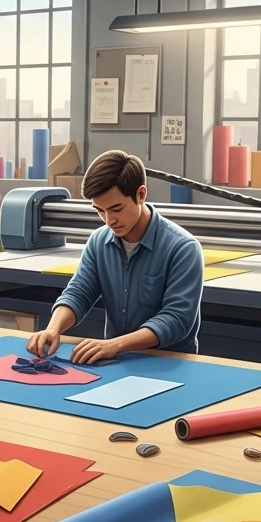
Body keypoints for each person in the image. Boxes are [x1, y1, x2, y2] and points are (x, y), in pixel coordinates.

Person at [26, 150, 203, 364]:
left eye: (116, 209)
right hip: (115, 362)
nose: (109, 220)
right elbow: (79, 292)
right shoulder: (99, 242)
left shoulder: (183, 248)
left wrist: (115, 344)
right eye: (100, 210)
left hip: (168, 364)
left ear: (141, 194)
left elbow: (176, 320)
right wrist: (53, 328)